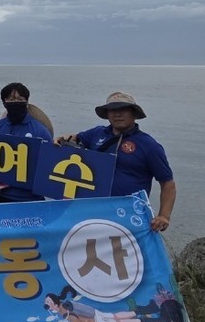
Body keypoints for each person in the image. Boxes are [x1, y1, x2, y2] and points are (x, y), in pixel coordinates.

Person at [55, 91, 176, 232]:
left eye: (123, 109)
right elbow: (76, 138)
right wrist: (61, 138)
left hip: (129, 216)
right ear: (107, 114)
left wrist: (164, 216)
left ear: (133, 113)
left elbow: (168, 183)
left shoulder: (149, 146)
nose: (117, 114)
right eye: (113, 110)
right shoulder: (97, 133)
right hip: (93, 212)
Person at [0, 82, 53, 204]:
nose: (16, 102)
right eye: (11, 99)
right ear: (4, 102)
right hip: (0, 196)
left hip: (32, 199)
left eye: (20, 99)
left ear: (26, 101)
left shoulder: (40, 131)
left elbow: (50, 165)